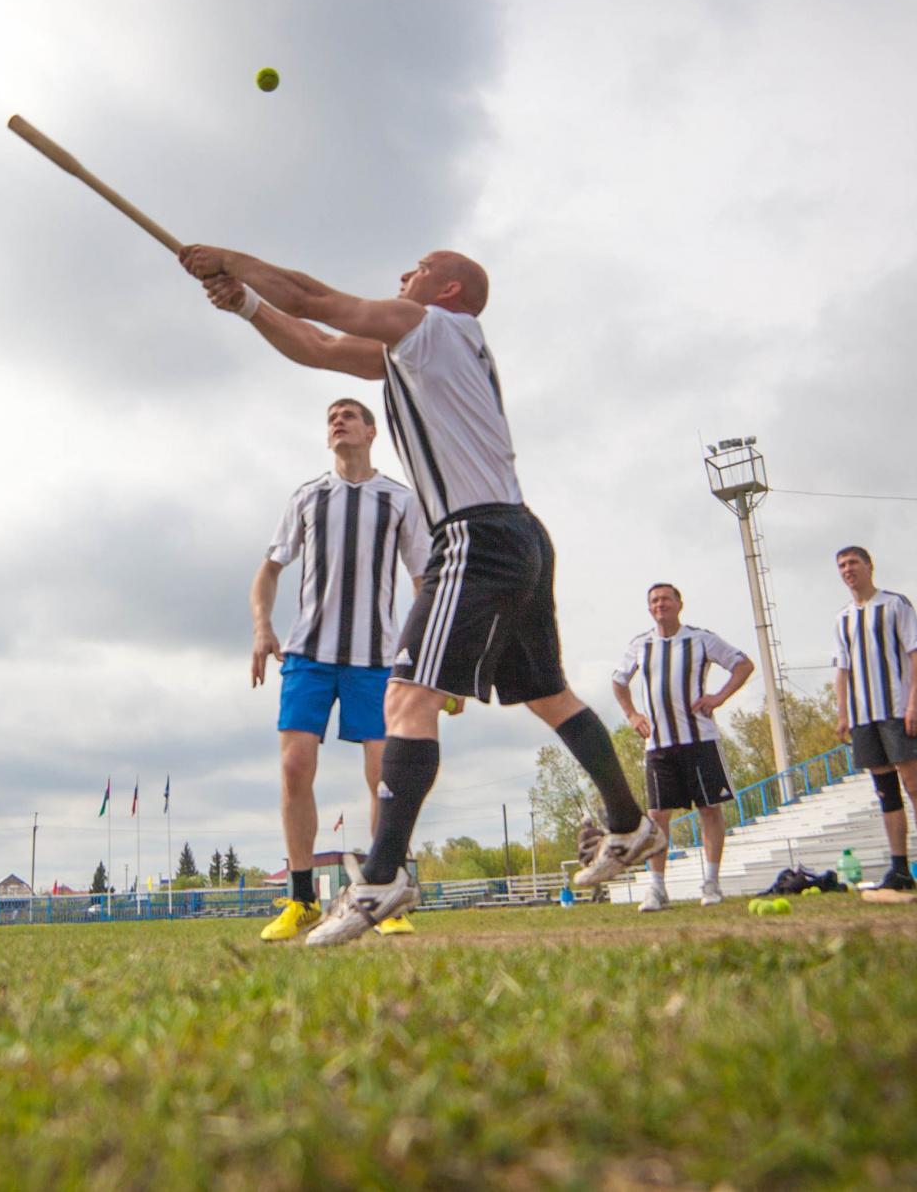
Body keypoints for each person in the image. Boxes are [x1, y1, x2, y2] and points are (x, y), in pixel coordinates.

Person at [178, 245, 662, 946]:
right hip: (521, 531)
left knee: (406, 697)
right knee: (547, 692)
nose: (403, 272)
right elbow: (313, 344)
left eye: (419, 267)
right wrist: (247, 304)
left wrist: (232, 259)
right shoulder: (415, 355)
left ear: (450, 287)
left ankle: (381, 875)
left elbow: (314, 299)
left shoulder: (430, 326)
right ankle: (628, 824)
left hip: (475, 535)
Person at [253, 398, 430, 941]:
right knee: (294, 766)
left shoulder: (400, 500)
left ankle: (381, 892)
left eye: (349, 414)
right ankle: (303, 899)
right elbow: (269, 568)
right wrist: (263, 627)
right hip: (308, 654)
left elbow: (425, 582)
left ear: (371, 431)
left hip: (375, 659)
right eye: (331, 416)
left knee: (385, 778)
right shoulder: (309, 496)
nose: (338, 421)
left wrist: (427, 657)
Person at [611, 583, 755, 911]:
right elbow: (618, 681)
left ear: (679, 604)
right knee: (657, 815)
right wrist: (632, 714)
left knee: (709, 809)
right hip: (658, 744)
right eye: (654, 600)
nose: (660, 604)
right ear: (649, 609)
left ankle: (712, 882)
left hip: (699, 739)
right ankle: (657, 888)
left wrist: (719, 697)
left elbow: (742, 664)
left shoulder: (700, 639)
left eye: (665, 599)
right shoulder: (640, 645)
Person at [832, 547, 917, 890]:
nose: (847, 570)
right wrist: (842, 712)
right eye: (841, 566)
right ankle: (899, 868)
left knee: (913, 784)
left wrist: (915, 704)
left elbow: (916, 653)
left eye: (853, 563)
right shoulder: (843, 618)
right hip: (864, 717)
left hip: (896, 709)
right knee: (885, 792)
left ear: (869, 566)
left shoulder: (895, 604)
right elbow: (842, 668)